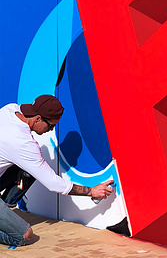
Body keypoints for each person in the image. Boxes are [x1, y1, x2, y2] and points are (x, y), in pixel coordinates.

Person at [0, 94, 114, 247]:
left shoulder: (10, 110)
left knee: (30, 170)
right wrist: (91, 191)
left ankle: (4, 209)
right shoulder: (22, 143)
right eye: (50, 125)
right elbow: (53, 184)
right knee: (24, 236)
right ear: (38, 118)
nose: (51, 130)